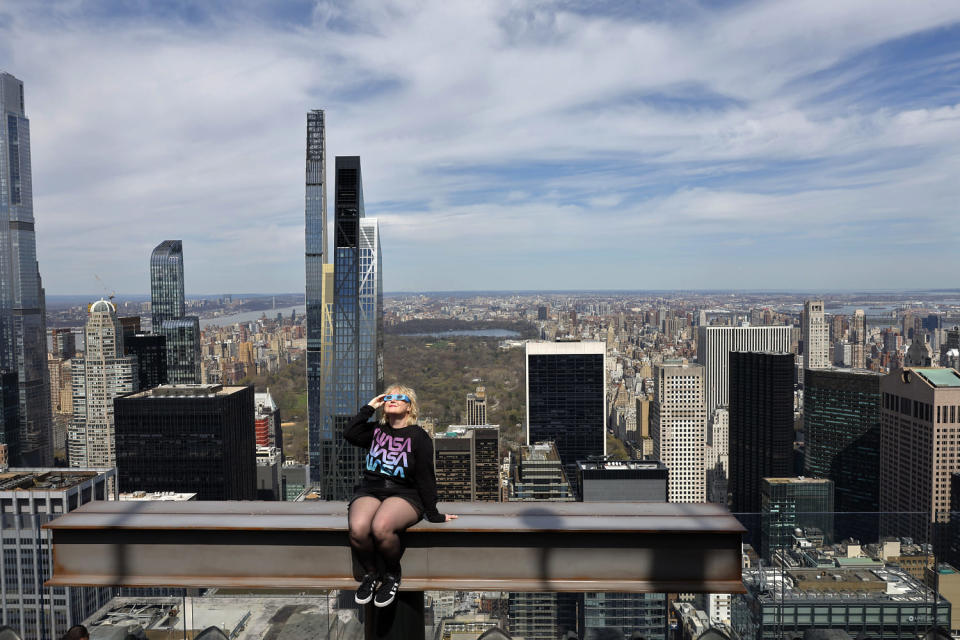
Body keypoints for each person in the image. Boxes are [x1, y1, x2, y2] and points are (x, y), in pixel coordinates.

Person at [345, 384, 457, 607]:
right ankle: (370, 574)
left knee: (381, 527)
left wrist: (433, 514)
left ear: (409, 406)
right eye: (388, 397)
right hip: (371, 489)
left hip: (405, 493)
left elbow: (426, 476)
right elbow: (349, 433)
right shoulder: (376, 430)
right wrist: (369, 407)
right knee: (358, 528)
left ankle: (392, 575)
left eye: (399, 397)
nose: (392, 400)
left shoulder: (418, 436)